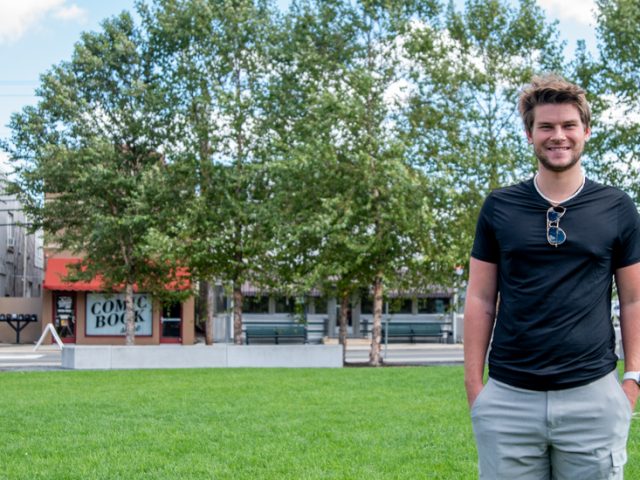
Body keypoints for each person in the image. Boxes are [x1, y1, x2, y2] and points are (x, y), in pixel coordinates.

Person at [464, 74, 640, 479]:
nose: (557, 136)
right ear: (529, 134)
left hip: (593, 398)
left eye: (568, 126)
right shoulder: (499, 207)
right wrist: (477, 391)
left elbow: (633, 300)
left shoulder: (617, 207)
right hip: (508, 400)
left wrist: (631, 382)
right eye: (546, 126)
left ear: (586, 131)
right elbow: (479, 299)